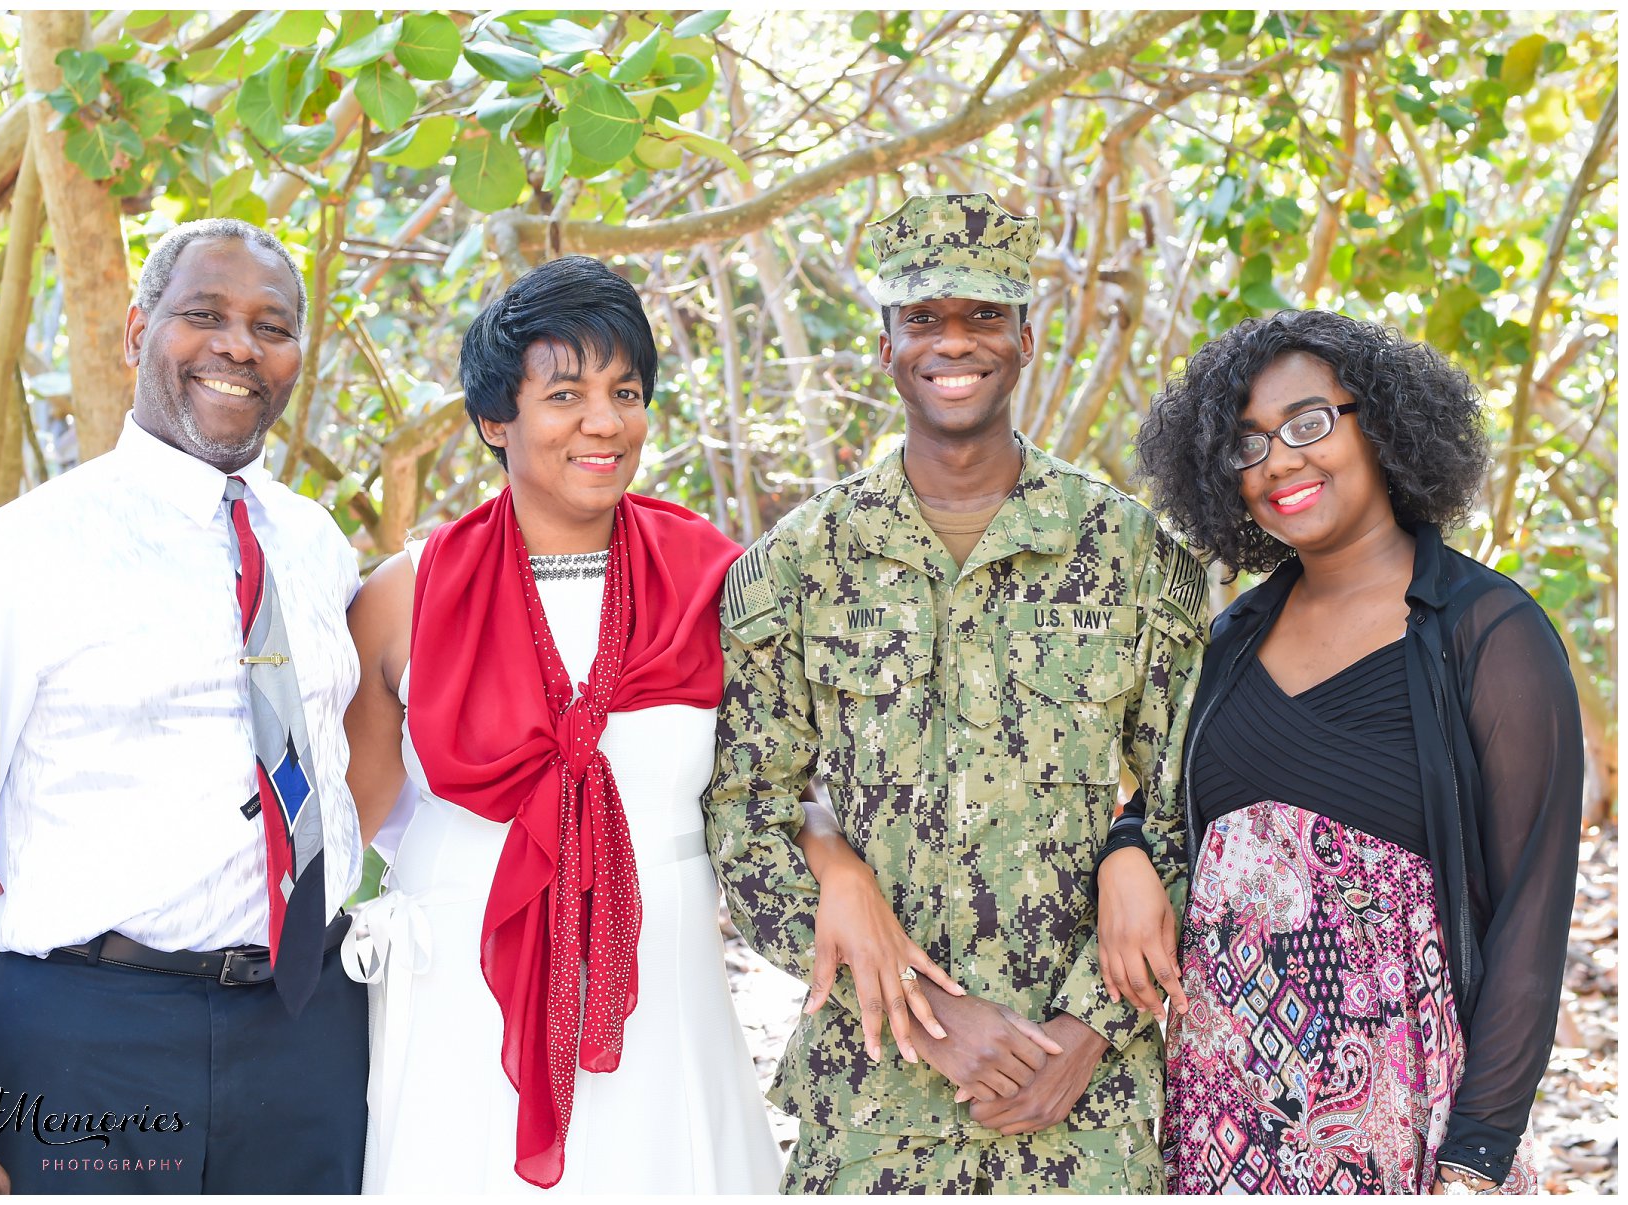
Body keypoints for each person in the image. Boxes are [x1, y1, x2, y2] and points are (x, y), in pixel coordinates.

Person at [342, 255, 944, 1194]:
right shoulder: (404, 598)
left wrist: (842, 865)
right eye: (565, 393)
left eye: (626, 391)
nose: (604, 421)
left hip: (661, 979)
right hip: (461, 987)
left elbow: (781, 783)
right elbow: (343, 824)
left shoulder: (718, 580)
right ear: (495, 419)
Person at [0, 218, 368, 1194]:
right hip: (89, 1038)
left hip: (310, 1035)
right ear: (136, 332)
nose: (239, 346)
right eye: (202, 314)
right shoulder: (18, 557)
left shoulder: (314, 543)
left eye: (273, 325)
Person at [702, 193, 1210, 1193]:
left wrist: (1085, 1030)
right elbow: (743, 821)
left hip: (1084, 1117)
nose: (954, 343)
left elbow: (1200, 805)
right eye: (923, 317)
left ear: (1026, 334)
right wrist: (935, 1026)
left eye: (983, 314)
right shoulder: (797, 564)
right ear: (884, 341)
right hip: (872, 1107)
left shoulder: (1134, 555)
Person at [1100, 309, 1582, 1194]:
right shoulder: (1232, 640)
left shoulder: (1489, 633)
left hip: (1403, 1126)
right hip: (1218, 1121)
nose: (1279, 460)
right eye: (1247, 445)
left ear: (1385, 425)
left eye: (1308, 423)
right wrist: (1125, 850)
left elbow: (1531, 910)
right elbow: (1161, 802)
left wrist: (1478, 1151)